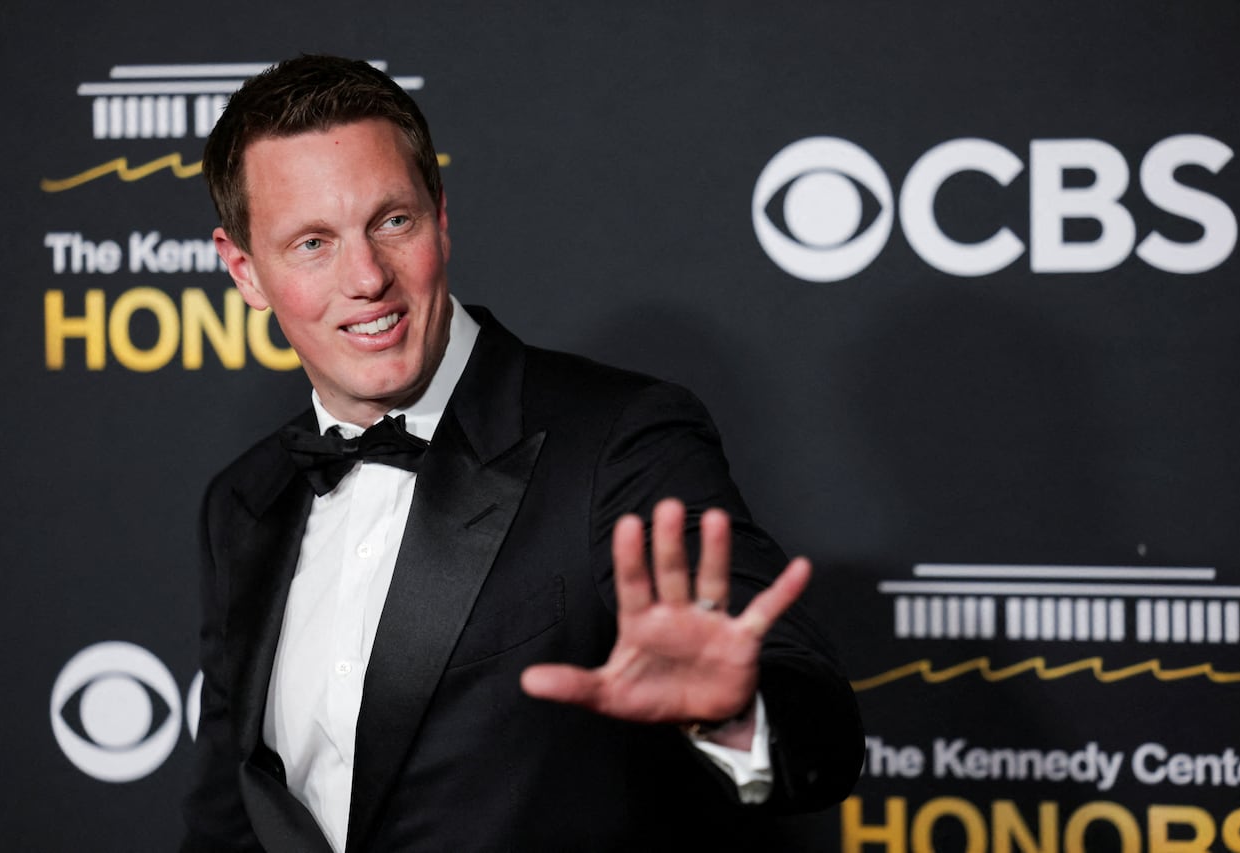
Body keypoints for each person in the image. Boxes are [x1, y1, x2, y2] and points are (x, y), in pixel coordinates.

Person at [183, 55, 863, 853]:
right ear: (245, 271)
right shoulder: (243, 499)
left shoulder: (619, 442)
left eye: (391, 221)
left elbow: (817, 736)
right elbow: (227, 812)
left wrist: (731, 712)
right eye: (312, 243)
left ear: (441, 215)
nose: (366, 276)